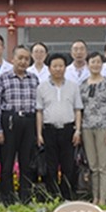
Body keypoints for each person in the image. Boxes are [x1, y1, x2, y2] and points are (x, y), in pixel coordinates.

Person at [0, 45, 39, 205]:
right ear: (13, 59)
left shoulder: (34, 79)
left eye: (26, 59)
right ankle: (8, 200)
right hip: (9, 122)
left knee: (27, 164)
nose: (23, 62)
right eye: (20, 58)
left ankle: (26, 199)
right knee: (7, 164)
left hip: (29, 122)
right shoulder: (2, 79)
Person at [36, 53, 83, 200]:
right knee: (51, 166)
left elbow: (77, 109)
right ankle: (53, 196)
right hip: (49, 130)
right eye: (55, 66)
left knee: (68, 165)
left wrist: (78, 131)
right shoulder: (42, 87)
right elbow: (39, 111)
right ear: (49, 68)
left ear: (65, 67)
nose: (58, 69)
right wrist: (39, 134)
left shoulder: (73, 86)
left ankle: (67, 196)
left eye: (61, 66)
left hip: (68, 130)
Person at [80, 51, 106, 205]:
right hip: (86, 128)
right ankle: (94, 196)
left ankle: (103, 198)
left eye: (98, 62)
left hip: (104, 127)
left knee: (104, 166)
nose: (95, 65)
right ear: (87, 64)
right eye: (92, 62)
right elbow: (80, 108)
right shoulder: (83, 85)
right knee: (93, 166)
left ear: (102, 64)